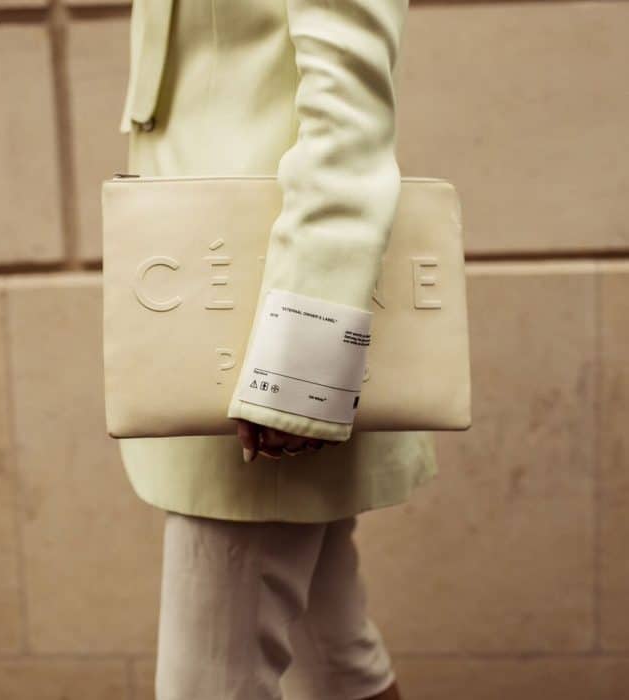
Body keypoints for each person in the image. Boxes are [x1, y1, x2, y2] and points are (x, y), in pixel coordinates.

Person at [116, 0, 438, 697]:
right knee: (336, 665)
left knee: (212, 683)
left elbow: (349, 117)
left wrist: (300, 360)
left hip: (259, 335)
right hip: (215, 306)